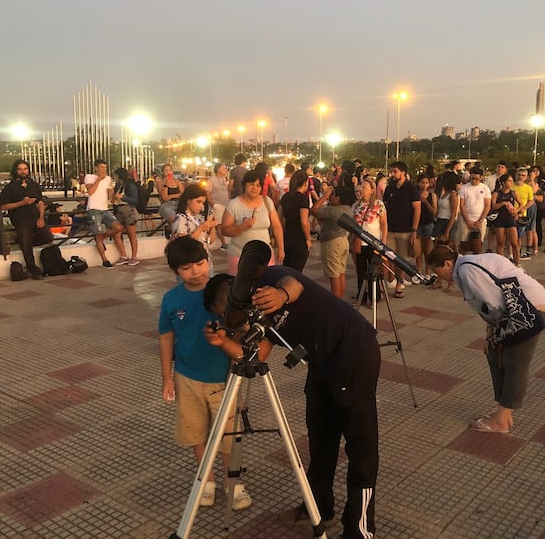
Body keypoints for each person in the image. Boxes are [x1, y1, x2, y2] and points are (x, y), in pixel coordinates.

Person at [203, 264, 380, 538]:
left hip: (353, 350)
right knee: (320, 440)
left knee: (361, 446)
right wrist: (222, 341)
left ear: (234, 284)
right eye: (224, 313)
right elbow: (255, 358)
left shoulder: (267, 277)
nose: (231, 311)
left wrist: (281, 296)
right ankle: (318, 509)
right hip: (320, 362)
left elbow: (295, 285)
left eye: (228, 301)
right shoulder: (257, 319)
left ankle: (360, 528)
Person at [159, 237, 252, 511]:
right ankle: (206, 480)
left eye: (201, 263)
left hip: (225, 378)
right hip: (186, 378)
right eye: (187, 268)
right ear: (175, 271)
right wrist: (167, 376)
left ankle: (231, 482)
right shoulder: (171, 300)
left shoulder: (224, 292)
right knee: (195, 433)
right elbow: (166, 338)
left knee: (228, 436)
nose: (196, 271)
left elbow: (243, 329)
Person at [427, 242, 545, 433]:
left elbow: (494, 303)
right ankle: (504, 414)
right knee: (496, 354)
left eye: (438, 271)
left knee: (514, 363)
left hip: (529, 310)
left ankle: (501, 420)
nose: (439, 277)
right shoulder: (467, 265)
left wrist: (492, 334)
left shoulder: (467, 270)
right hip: (520, 308)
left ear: (447, 264)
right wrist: (490, 336)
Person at [0, 159, 54, 279]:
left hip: (35, 217)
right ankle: (34, 271)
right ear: (15, 170)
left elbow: (40, 202)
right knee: (26, 246)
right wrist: (22, 203)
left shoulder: (33, 185)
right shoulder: (10, 187)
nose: (23, 171)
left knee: (48, 237)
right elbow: (3, 206)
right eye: (20, 169)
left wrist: (41, 217)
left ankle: (22, 242)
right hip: (20, 220)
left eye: (25, 169)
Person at [222, 170, 284, 275]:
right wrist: (243, 227)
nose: (255, 188)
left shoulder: (267, 201)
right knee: (241, 287)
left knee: (264, 286)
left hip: (265, 256)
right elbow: (225, 230)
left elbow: (277, 226)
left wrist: (281, 248)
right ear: (244, 185)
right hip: (239, 255)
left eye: (258, 185)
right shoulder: (234, 205)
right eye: (251, 184)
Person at [382, 161, 421, 298]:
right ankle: (388, 281)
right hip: (391, 229)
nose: (392, 174)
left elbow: (417, 209)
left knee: (401, 259)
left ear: (403, 172)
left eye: (395, 171)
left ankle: (399, 284)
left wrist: (414, 230)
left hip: (405, 230)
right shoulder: (390, 187)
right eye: (391, 171)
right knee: (388, 257)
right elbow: (384, 205)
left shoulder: (411, 188)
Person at [311, 184, 355, 298]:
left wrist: (325, 195)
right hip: (344, 240)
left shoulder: (333, 210)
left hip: (332, 243)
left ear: (338, 198)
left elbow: (314, 210)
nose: (331, 197)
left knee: (334, 276)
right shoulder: (348, 209)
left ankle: (336, 303)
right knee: (341, 274)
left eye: (333, 195)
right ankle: (340, 301)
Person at [83, 159, 127, 268]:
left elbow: (110, 197)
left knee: (118, 227)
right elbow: (90, 191)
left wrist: (112, 193)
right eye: (101, 167)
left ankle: (102, 237)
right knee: (98, 235)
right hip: (93, 208)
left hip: (105, 209)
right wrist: (99, 179)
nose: (104, 170)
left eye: (105, 167)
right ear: (96, 168)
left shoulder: (108, 179)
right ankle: (104, 260)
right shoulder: (89, 177)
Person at [351, 177, 388, 306]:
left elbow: (384, 224)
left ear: (372, 190)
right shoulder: (356, 205)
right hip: (359, 243)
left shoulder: (378, 204)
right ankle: (361, 296)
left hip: (374, 242)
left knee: (374, 272)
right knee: (361, 270)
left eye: (365, 187)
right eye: (361, 187)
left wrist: (383, 242)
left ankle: (374, 297)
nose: (362, 190)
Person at [173, 184, 219, 275]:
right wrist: (200, 228)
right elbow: (182, 244)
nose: (201, 206)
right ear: (188, 201)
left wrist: (212, 226)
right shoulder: (181, 218)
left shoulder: (199, 217)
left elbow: (210, 241)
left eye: (203, 203)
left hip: (206, 263)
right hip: (190, 267)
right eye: (198, 202)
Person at [277, 169, 312, 272]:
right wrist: (308, 238)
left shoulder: (286, 196)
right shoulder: (303, 198)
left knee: (287, 269)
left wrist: (283, 231)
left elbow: (279, 217)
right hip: (299, 240)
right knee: (296, 271)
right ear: (305, 183)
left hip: (287, 238)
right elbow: (304, 222)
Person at [457, 167, 491, 255]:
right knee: (463, 244)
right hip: (466, 219)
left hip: (480, 219)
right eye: (472, 178)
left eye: (476, 179)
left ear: (481, 178)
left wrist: (480, 220)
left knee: (478, 245)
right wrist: (468, 221)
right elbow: (462, 205)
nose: (474, 181)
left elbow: (487, 205)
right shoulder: (464, 188)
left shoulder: (485, 188)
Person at [491, 174, 521, 266]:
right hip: (499, 219)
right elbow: (493, 206)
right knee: (500, 243)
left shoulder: (513, 193)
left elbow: (521, 204)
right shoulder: (497, 193)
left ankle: (517, 262)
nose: (511, 183)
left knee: (514, 243)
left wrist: (516, 211)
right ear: (503, 183)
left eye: (512, 181)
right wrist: (503, 203)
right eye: (509, 181)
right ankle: (500, 264)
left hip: (510, 219)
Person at [112, 167, 140, 266]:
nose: (114, 177)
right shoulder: (119, 185)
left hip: (129, 211)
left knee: (131, 234)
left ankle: (134, 256)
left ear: (118, 175)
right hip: (119, 211)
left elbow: (135, 200)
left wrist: (123, 197)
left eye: (115, 175)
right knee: (116, 233)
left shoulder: (130, 185)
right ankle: (123, 255)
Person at [206, 162, 229, 248]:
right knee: (218, 224)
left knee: (224, 223)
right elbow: (207, 193)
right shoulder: (211, 180)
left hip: (225, 205)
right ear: (218, 169)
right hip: (217, 205)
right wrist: (213, 204)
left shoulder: (224, 179)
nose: (225, 169)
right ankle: (223, 243)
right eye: (224, 168)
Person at [158, 164, 184, 234]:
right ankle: (171, 232)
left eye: (169, 170)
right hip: (167, 205)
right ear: (163, 172)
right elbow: (164, 198)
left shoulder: (177, 181)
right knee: (174, 219)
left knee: (182, 218)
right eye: (165, 170)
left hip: (178, 204)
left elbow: (183, 194)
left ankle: (170, 229)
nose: (168, 172)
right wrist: (166, 184)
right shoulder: (161, 183)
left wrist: (172, 196)